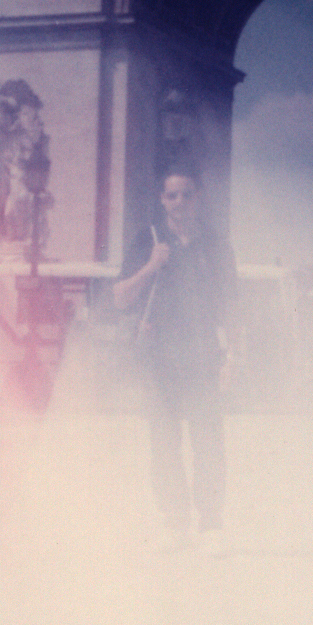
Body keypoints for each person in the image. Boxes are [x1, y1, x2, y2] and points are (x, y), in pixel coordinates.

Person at [114, 169, 238, 550]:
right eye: (172, 195)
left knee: (208, 443)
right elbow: (120, 298)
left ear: (197, 198)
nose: (180, 202)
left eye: (186, 194)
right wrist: (151, 266)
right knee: (164, 445)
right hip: (159, 360)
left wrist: (233, 356)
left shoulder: (216, 245)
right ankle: (175, 523)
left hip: (203, 358)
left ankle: (211, 525)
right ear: (162, 200)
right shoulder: (146, 241)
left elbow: (231, 305)